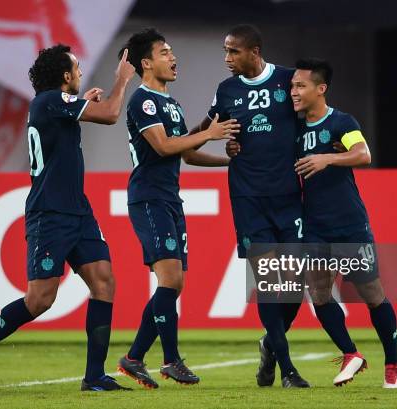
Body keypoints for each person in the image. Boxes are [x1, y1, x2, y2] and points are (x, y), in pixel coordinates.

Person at [0, 44, 136, 392]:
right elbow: (112, 113)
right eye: (77, 68)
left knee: (104, 281)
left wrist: (87, 100)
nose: (81, 72)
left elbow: (83, 114)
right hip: (50, 213)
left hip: (78, 210)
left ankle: (94, 376)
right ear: (65, 76)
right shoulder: (49, 101)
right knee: (40, 299)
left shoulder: (53, 104)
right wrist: (122, 80)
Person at [115, 28, 239, 388]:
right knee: (170, 280)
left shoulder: (171, 103)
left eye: (172, 52)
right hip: (149, 197)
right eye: (165, 52)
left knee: (174, 282)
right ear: (146, 63)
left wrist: (226, 161)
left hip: (169, 198)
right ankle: (170, 360)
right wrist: (209, 133)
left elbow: (185, 152)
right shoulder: (144, 101)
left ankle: (135, 357)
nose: (173, 58)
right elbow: (164, 146)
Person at [197, 24, 310, 388]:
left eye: (233, 51)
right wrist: (183, 144)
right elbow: (205, 129)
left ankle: (270, 345)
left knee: (294, 282)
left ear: (254, 51)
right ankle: (288, 370)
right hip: (248, 197)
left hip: (289, 195)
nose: (227, 59)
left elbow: (315, 116)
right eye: (225, 51)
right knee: (267, 281)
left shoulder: (289, 81)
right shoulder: (226, 90)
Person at [291, 58, 397, 388]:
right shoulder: (294, 128)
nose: (294, 92)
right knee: (320, 293)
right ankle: (351, 354)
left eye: (301, 86)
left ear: (320, 89)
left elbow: (363, 154)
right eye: (293, 85)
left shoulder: (341, 122)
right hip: (314, 226)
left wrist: (328, 157)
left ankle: (393, 364)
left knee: (372, 295)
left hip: (349, 225)